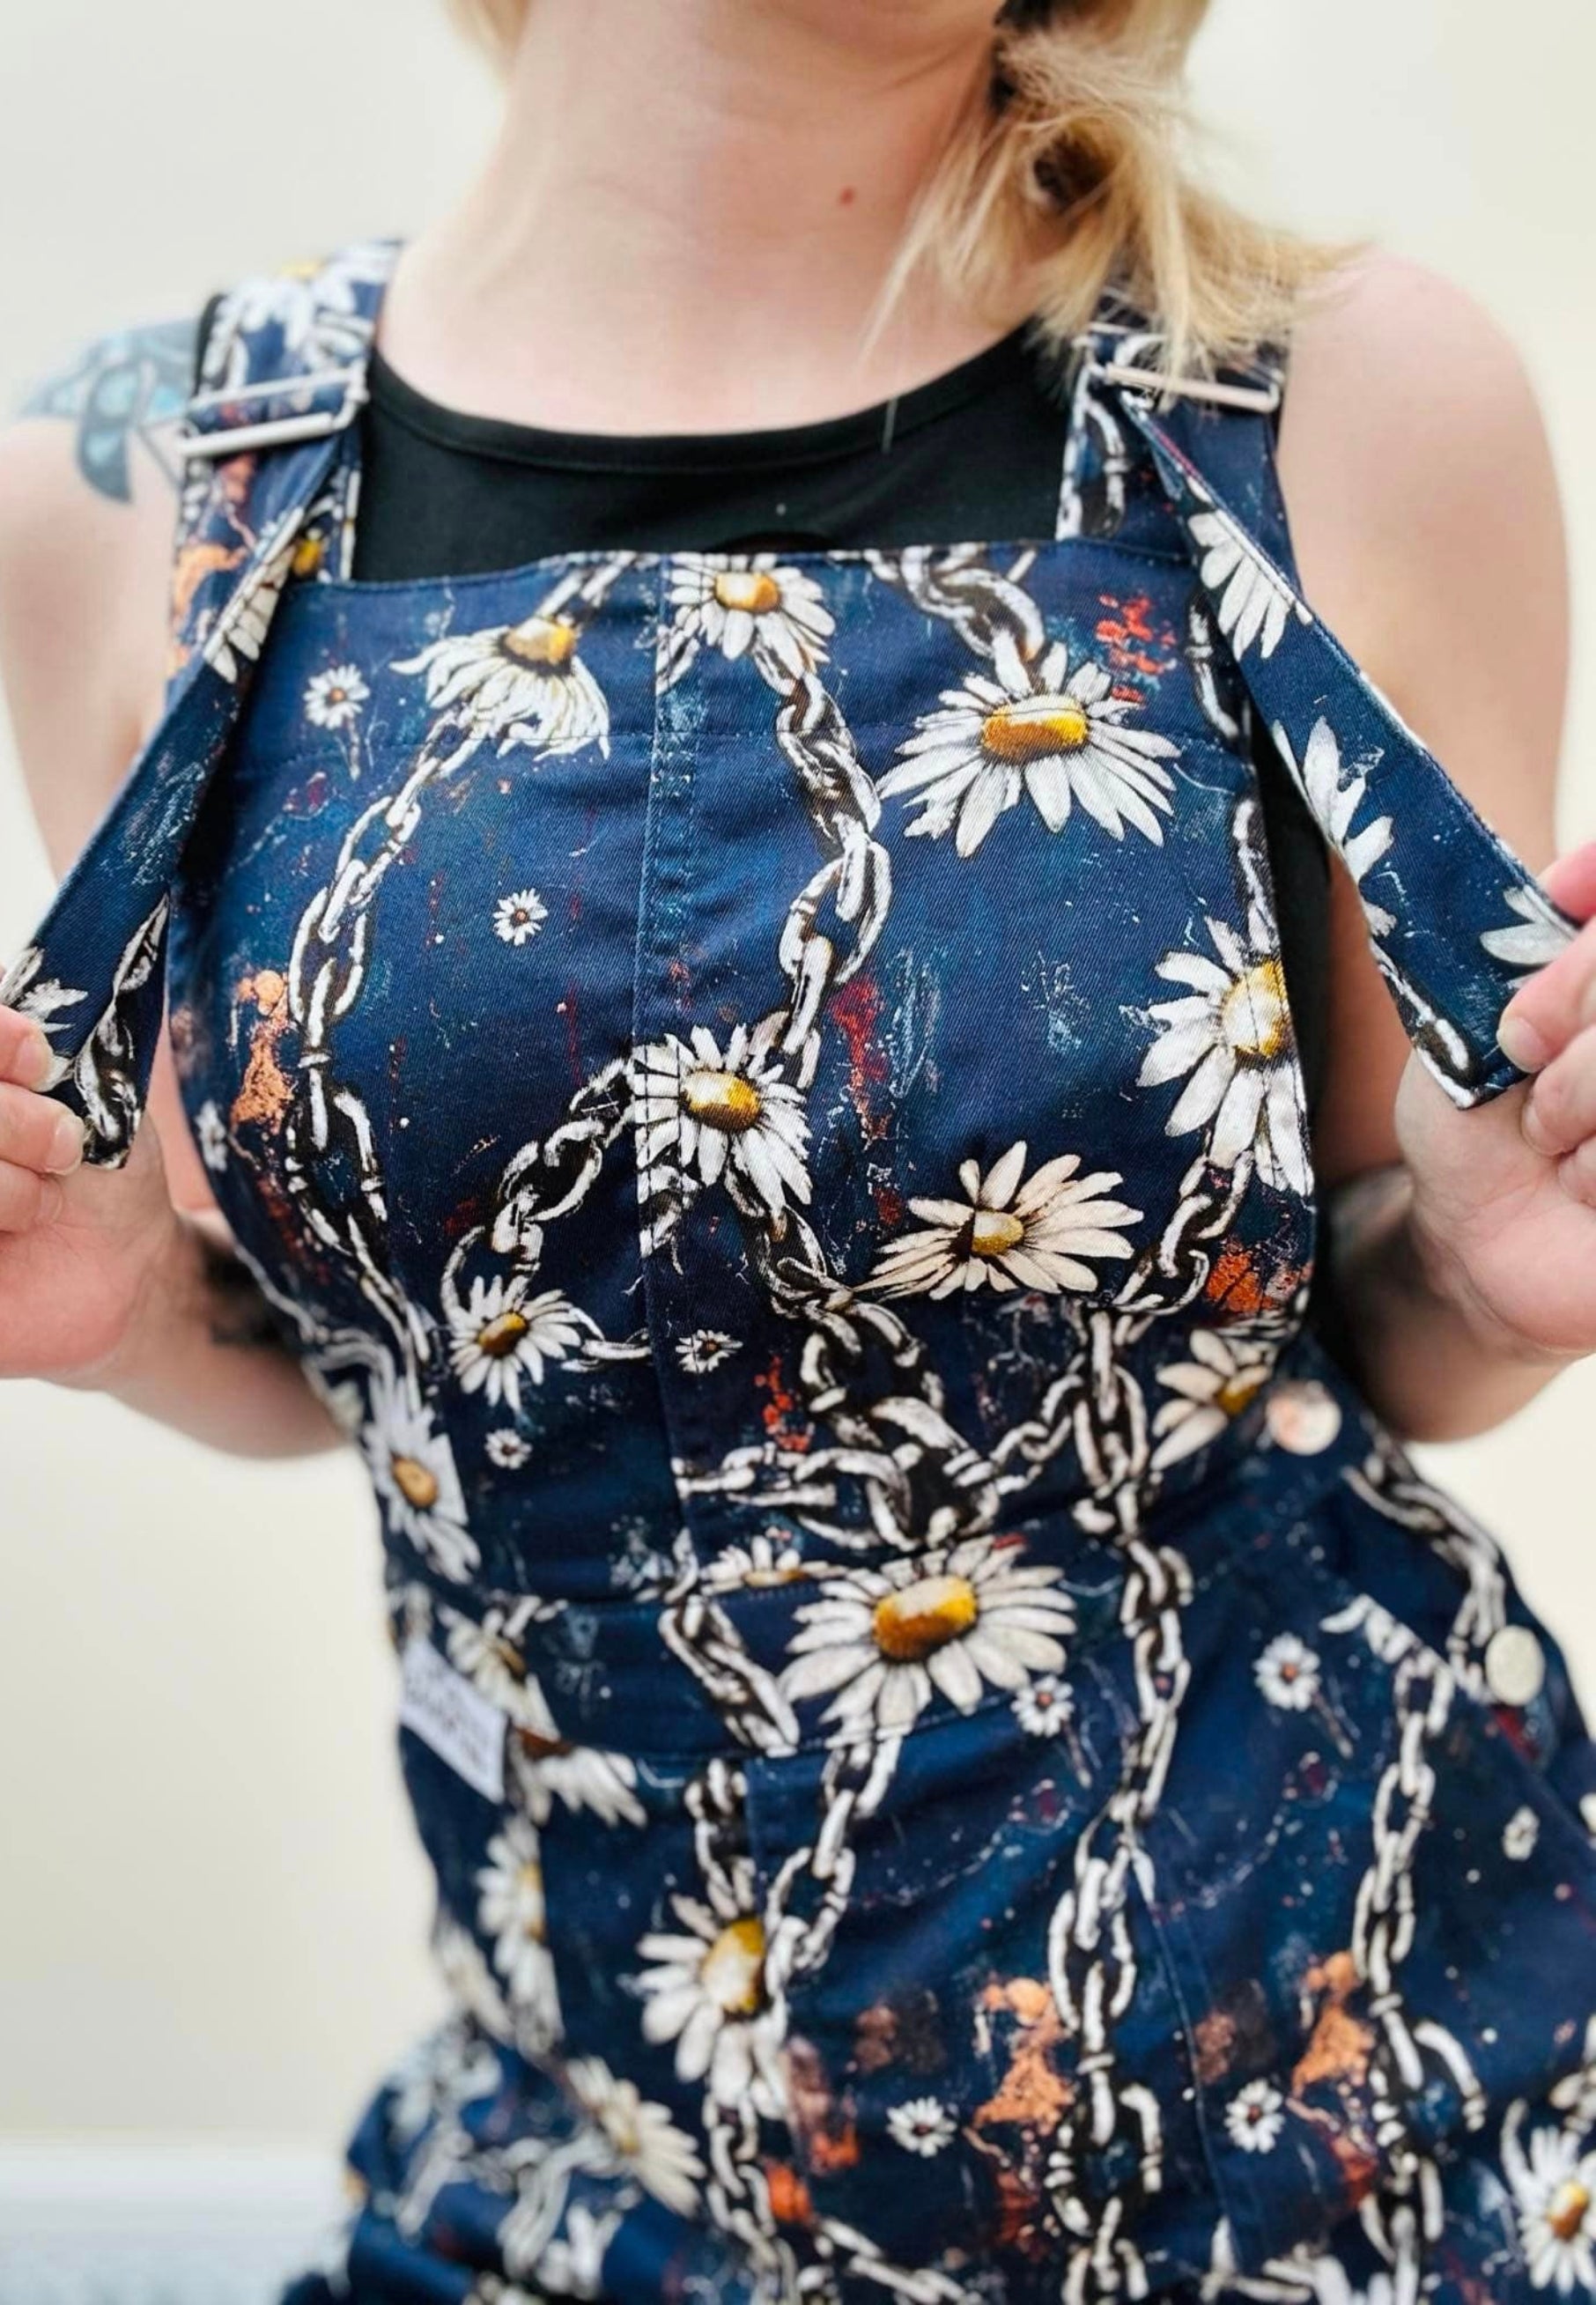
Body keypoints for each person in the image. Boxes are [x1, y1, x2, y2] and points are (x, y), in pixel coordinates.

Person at [2, 3, 1595, 2298]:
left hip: (1380, 2145)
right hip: (586, 2190)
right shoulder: (142, 496)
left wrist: (1489, 1270)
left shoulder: (1329, 402)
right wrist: (116, 1305)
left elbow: (1361, 1300)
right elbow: (383, 1373)